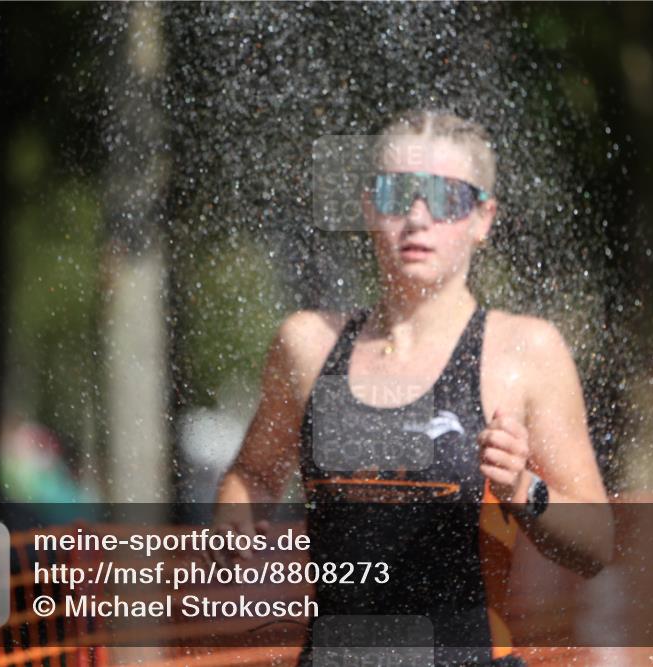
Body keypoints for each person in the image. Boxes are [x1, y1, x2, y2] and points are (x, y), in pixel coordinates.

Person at [208, 109, 614, 666]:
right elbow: (253, 474)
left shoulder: (526, 352)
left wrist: (522, 487)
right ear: (369, 206)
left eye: (446, 198)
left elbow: (597, 544)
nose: (418, 218)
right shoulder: (307, 344)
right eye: (397, 195)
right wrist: (235, 528)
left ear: (482, 218)